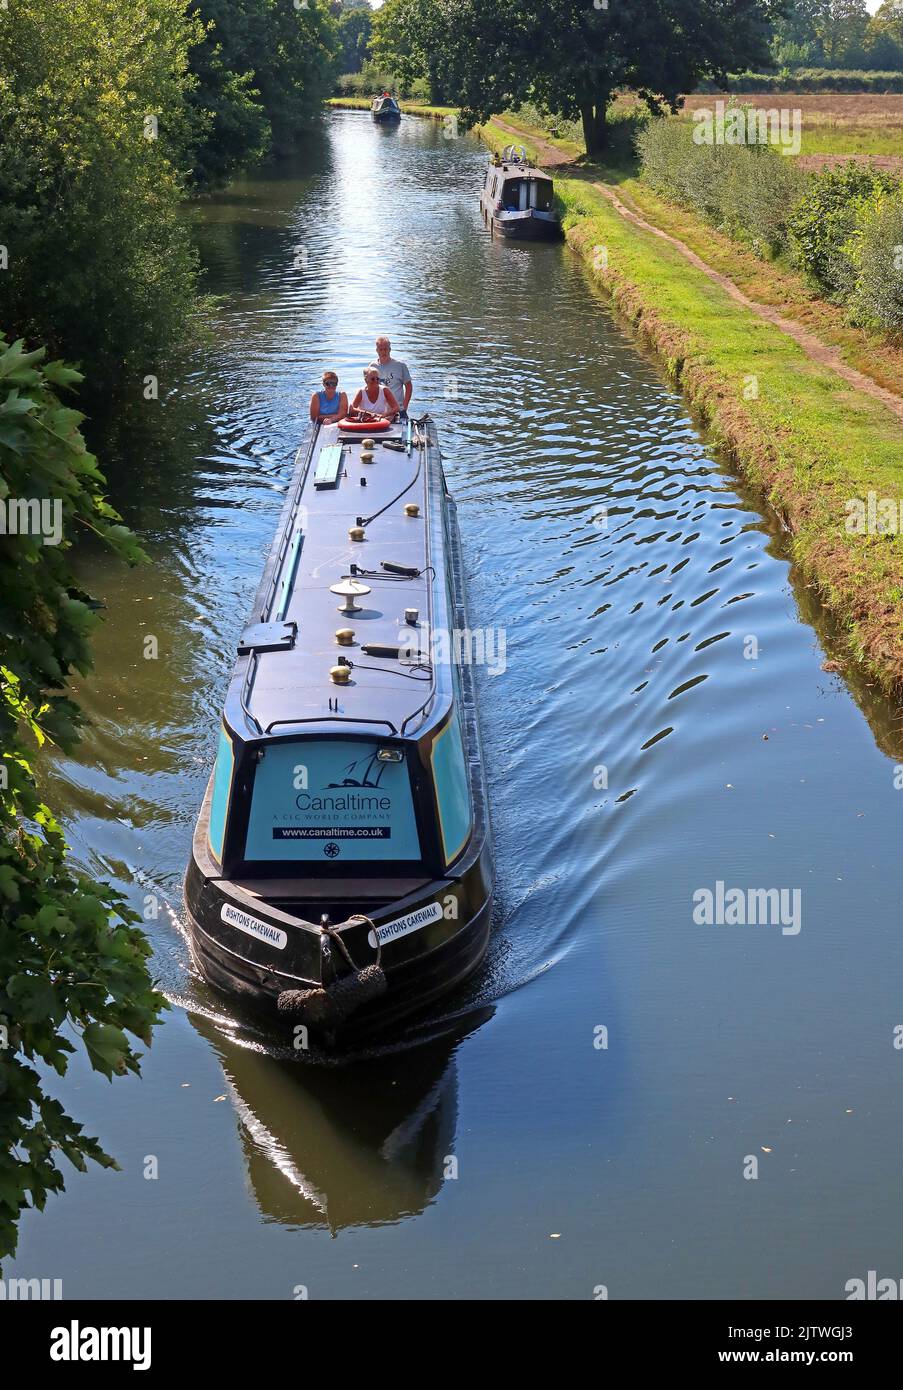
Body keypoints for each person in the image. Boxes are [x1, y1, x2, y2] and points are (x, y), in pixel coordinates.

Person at [368, 335, 412, 415]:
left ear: (390, 349)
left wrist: (404, 408)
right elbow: (370, 388)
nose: (383, 352)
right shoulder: (372, 366)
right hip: (380, 410)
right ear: (377, 350)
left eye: (385, 349)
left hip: (398, 410)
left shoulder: (400, 366)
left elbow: (408, 387)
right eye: (381, 349)